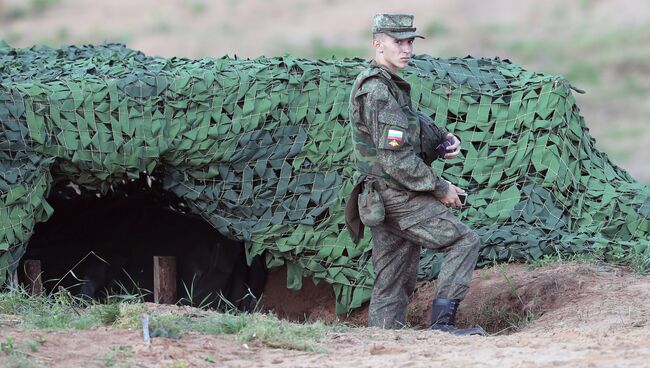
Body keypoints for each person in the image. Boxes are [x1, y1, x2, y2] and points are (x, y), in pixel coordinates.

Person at [345, 13, 485, 336]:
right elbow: (396, 160)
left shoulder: (387, 85)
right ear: (378, 44)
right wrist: (440, 187)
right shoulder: (377, 91)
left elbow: (410, 122)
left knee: (393, 278)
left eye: (410, 41)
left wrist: (442, 139)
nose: (407, 49)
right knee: (464, 240)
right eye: (399, 42)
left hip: (383, 195)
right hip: (395, 194)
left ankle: (379, 344)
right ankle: (442, 327)